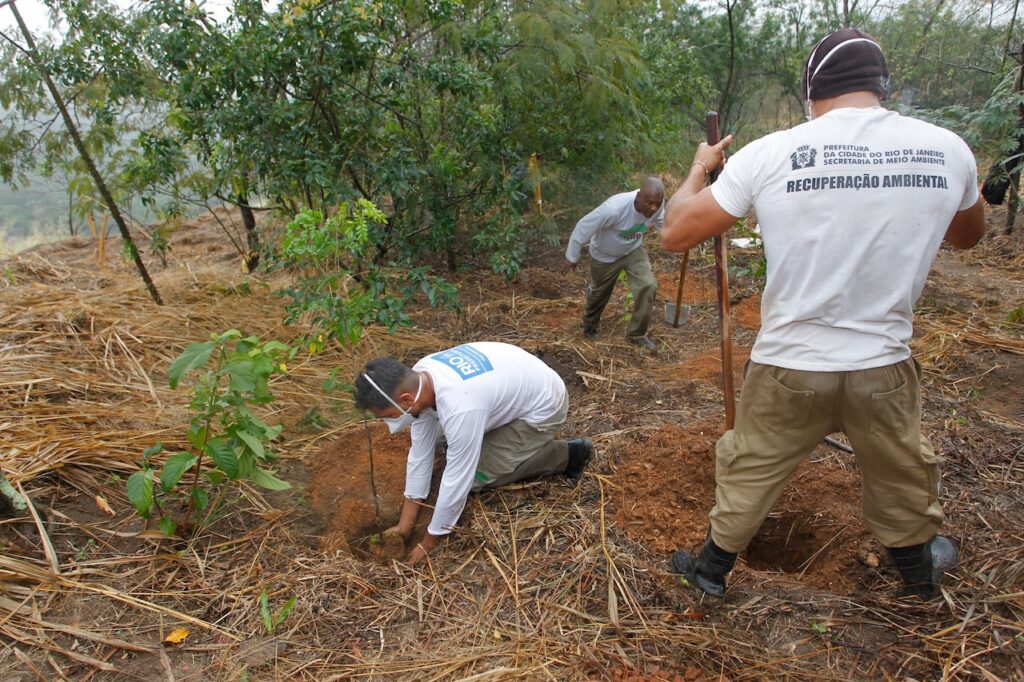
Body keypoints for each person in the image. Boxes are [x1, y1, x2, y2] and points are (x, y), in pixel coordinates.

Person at [660, 28, 986, 600]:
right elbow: (968, 235)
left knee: (752, 466)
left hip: (789, 365)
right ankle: (918, 572)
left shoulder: (772, 152)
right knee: (900, 469)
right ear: (881, 88)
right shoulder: (948, 148)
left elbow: (675, 232)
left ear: (813, 94)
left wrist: (699, 168)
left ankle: (711, 570)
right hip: (882, 364)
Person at [353, 342, 593, 564]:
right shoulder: (420, 377)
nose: (387, 423)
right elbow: (420, 453)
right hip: (515, 384)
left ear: (405, 399)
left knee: (478, 475)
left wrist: (428, 542)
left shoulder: (460, 408)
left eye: (387, 416)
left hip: (545, 406)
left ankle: (567, 454)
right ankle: (511, 440)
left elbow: (458, 480)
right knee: (443, 438)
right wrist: (404, 527)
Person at [564, 177, 666, 351]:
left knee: (648, 285)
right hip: (605, 256)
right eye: (650, 203)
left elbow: (663, 223)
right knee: (600, 294)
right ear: (639, 196)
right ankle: (590, 326)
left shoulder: (656, 206)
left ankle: (637, 335)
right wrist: (572, 256)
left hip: (632, 251)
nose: (654, 208)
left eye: (657, 203)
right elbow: (583, 227)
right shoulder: (614, 209)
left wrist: (679, 236)